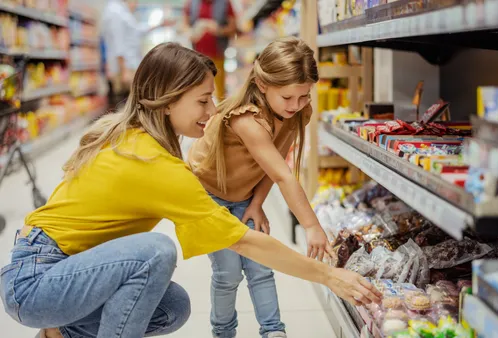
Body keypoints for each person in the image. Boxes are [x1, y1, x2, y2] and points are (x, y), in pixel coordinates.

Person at [0, 43, 381, 338]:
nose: (213, 109)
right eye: (202, 100)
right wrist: (329, 276)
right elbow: (245, 242)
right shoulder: (153, 163)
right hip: (36, 280)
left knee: (173, 307)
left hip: (56, 271)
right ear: (167, 102)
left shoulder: (137, 139)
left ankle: (59, 332)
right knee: (154, 252)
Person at [187, 37, 332, 338]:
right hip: (208, 198)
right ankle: (223, 332)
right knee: (227, 274)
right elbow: (283, 175)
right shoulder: (245, 120)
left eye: (304, 96)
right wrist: (311, 225)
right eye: (288, 97)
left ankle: (273, 331)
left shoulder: (296, 114)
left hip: (243, 196)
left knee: (262, 268)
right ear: (263, 84)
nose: (297, 105)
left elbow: (273, 163)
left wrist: (257, 202)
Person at [101, 0, 173, 110]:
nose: (136, 4)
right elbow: (118, 43)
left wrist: (160, 25)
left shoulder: (122, 11)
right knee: (125, 102)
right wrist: (124, 70)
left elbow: (137, 31)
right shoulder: (115, 12)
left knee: (130, 102)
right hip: (124, 66)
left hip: (129, 64)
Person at [183, 0, 237, 101]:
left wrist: (218, 30)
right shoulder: (191, 3)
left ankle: (220, 113)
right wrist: (191, 33)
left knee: (220, 91)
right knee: (197, 90)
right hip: (197, 55)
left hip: (218, 54)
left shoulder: (225, 3)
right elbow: (184, 25)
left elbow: (233, 27)